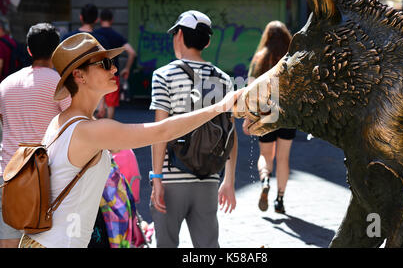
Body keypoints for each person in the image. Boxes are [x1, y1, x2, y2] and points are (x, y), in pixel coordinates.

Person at [17, 32, 242, 248]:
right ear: (79, 75)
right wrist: (220, 106)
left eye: (112, 62)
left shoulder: (63, 121)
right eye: (104, 64)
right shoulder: (89, 130)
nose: (114, 68)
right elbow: (162, 131)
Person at [149, 10, 238, 248]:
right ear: (207, 42)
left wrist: (156, 178)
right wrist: (228, 180)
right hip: (208, 177)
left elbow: (160, 130)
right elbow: (230, 133)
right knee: (208, 247)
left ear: (178, 35)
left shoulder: (163, 75)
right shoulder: (223, 79)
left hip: (171, 179)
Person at [0, 23, 70, 248]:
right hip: (45, 177)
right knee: (43, 241)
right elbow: (74, 123)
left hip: (7, 174)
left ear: (28, 50)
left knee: (8, 240)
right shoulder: (60, 85)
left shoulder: (5, 84)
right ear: (56, 50)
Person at [242, 20, 295, 214]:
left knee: (265, 154)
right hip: (288, 114)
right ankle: (279, 199)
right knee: (283, 157)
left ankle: (265, 180)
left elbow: (250, 90)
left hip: (265, 114)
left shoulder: (259, 58)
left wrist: (248, 118)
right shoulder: (291, 58)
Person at [94, 8, 136, 119]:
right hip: (113, 74)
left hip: (97, 74)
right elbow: (132, 53)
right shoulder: (117, 36)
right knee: (111, 105)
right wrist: (126, 68)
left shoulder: (94, 35)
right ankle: (109, 130)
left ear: (99, 20)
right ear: (112, 20)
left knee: (96, 103)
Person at [0, 18, 15, 83]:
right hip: (11, 80)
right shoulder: (11, 41)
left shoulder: (1, 44)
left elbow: (0, 65)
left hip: (2, 81)